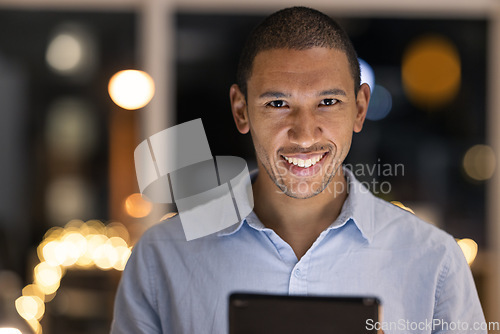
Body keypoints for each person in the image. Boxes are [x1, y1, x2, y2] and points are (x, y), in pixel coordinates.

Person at [111, 7, 486, 333]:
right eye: (277, 103)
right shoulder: (162, 256)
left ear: (359, 109)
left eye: (327, 102)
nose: (305, 135)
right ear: (241, 110)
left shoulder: (435, 262)